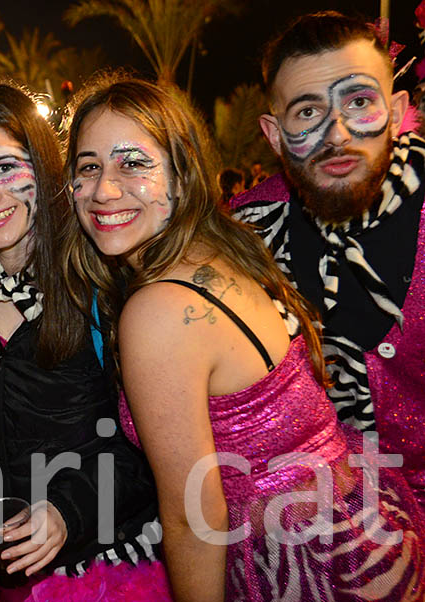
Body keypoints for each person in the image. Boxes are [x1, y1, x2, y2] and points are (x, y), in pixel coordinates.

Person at [63, 72, 425, 601]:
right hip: (359, 532)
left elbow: (193, 515)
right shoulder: (226, 248)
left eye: (133, 162)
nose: (103, 189)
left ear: (182, 176)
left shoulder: (158, 309)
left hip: (303, 566)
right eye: (88, 167)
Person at [0, 83, 169, 602]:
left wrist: (66, 510)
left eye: (6, 168)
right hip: (7, 572)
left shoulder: (104, 287)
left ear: (44, 167)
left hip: (108, 565)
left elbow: (150, 448)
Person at [233, 12, 425, 509]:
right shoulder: (242, 237)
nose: (337, 133)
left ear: (398, 108)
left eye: (359, 102)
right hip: (324, 549)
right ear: (274, 135)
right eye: (308, 112)